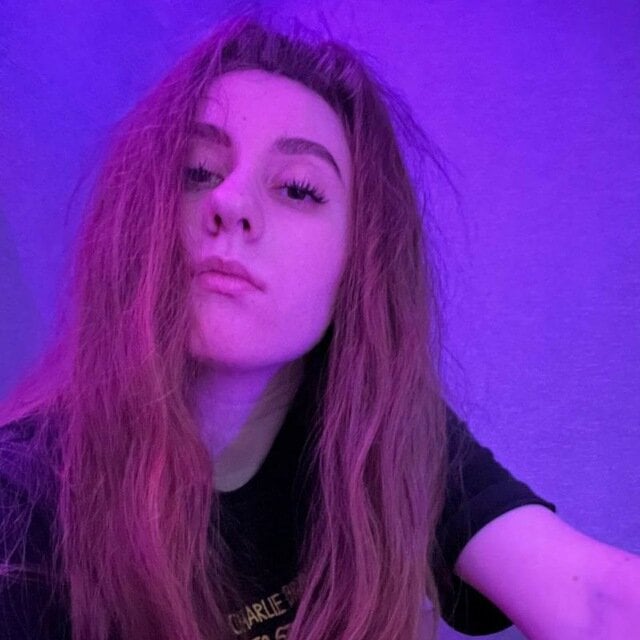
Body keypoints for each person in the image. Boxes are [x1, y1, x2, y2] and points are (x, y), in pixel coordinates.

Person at [0, 14, 638, 640]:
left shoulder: (385, 438)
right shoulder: (23, 504)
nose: (228, 200)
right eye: (197, 171)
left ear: (358, 263)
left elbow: (596, 601)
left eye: (299, 189)